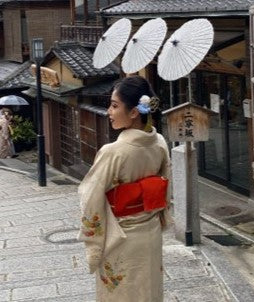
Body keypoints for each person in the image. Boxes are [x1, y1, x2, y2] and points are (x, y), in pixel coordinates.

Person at [77, 75, 171, 302]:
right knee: (147, 292)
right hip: (150, 233)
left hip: (121, 239)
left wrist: (94, 242)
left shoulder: (114, 151)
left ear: (134, 112)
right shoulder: (159, 142)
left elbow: (90, 197)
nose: (109, 111)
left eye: (114, 105)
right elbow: (166, 186)